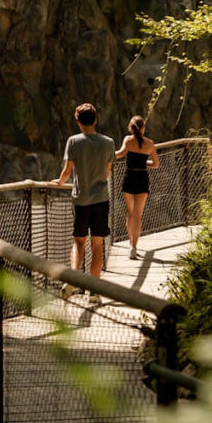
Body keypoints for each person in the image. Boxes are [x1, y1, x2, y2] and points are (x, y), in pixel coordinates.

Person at [54, 103, 115, 300]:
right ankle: (94, 291)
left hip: (80, 199)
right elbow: (107, 172)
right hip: (100, 199)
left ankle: (73, 280)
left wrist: (59, 182)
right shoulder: (108, 142)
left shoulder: (73, 141)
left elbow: (67, 171)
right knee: (97, 245)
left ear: (78, 122)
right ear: (95, 119)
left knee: (79, 242)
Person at [115, 115, 159, 259]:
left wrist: (106, 154)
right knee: (138, 216)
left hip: (129, 178)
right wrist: (144, 163)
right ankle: (134, 246)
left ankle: (130, 246)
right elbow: (156, 164)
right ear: (143, 128)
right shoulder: (150, 143)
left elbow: (120, 154)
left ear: (131, 128)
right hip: (142, 178)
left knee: (130, 213)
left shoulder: (128, 140)